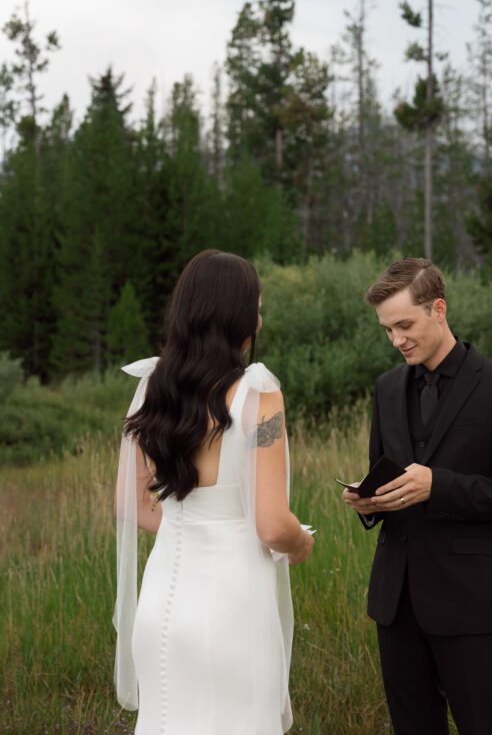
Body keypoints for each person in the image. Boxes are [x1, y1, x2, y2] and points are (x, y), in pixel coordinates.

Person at [114, 249, 314, 735]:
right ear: (240, 316)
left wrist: (192, 528)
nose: (261, 317)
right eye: (257, 305)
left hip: (163, 604)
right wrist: (302, 542)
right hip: (234, 603)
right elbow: (270, 523)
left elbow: (131, 504)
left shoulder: (152, 388)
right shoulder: (262, 397)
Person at [343, 257, 492, 735]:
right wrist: (369, 503)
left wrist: (439, 485)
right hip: (396, 602)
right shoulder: (386, 389)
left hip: (471, 602)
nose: (396, 340)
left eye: (405, 325)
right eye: (387, 330)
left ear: (439, 309)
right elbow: (384, 476)